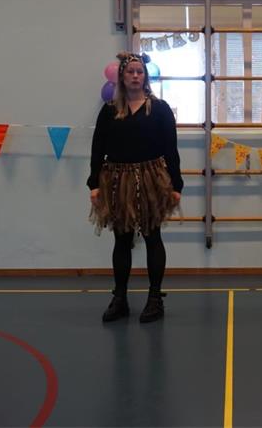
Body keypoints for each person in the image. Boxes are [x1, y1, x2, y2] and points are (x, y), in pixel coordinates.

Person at [88, 51, 183, 323]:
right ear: (121, 77)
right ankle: (120, 299)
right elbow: (98, 148)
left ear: (145, 77)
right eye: (130, 72)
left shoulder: (160, 109)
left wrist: (176, 184)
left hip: (151, 178)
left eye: (139, 72)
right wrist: (94, 183)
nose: (135, 76)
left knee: (152, 236)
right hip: (118, 180)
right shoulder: (109, 111)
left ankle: (155, 299)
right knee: (122, 238)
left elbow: (171, 149)